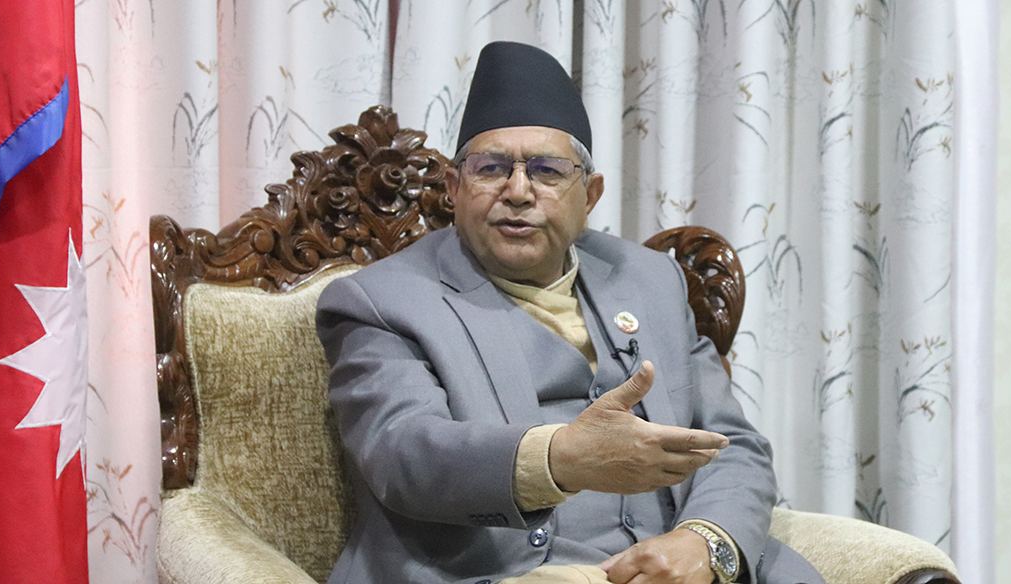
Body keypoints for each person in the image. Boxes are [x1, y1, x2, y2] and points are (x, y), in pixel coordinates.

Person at [315, 41, 823, 584]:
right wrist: (560, 458)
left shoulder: (650, 279)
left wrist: (703, 543)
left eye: (547, 170)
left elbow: (733, 444)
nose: (517, 191)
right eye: (491, 168)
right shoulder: (380, 300)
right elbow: (403, 456)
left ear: (590, 195)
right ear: (455, 188)